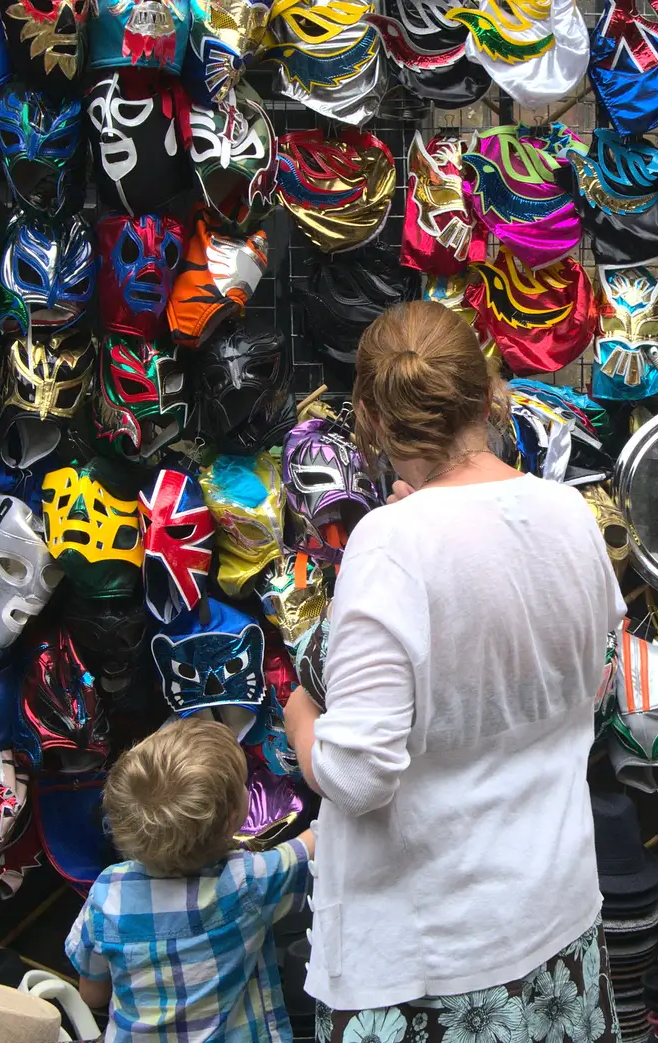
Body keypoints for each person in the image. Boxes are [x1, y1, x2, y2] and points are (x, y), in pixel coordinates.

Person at [284, 301, 627, 1043]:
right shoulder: (570, 513)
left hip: (431, 958)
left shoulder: (391, 543)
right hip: (557, 918)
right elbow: (598, 686)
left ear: (369, 421)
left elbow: (359, 772)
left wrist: (300, 716)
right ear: (488, 392)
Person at [66, 718, 315, 1042]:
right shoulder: (247, 881)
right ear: (232, 820)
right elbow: (318, 840)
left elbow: (92, 995)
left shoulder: (107, 893)